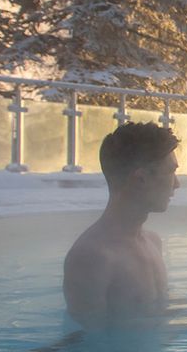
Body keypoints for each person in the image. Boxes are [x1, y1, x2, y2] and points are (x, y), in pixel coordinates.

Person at [63, 122, 180, 327]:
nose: (177, 184)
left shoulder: (153, 242)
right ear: (141, 179)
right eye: (171, 172)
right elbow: (87, 340)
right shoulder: (92, 258)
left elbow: (157, 313)